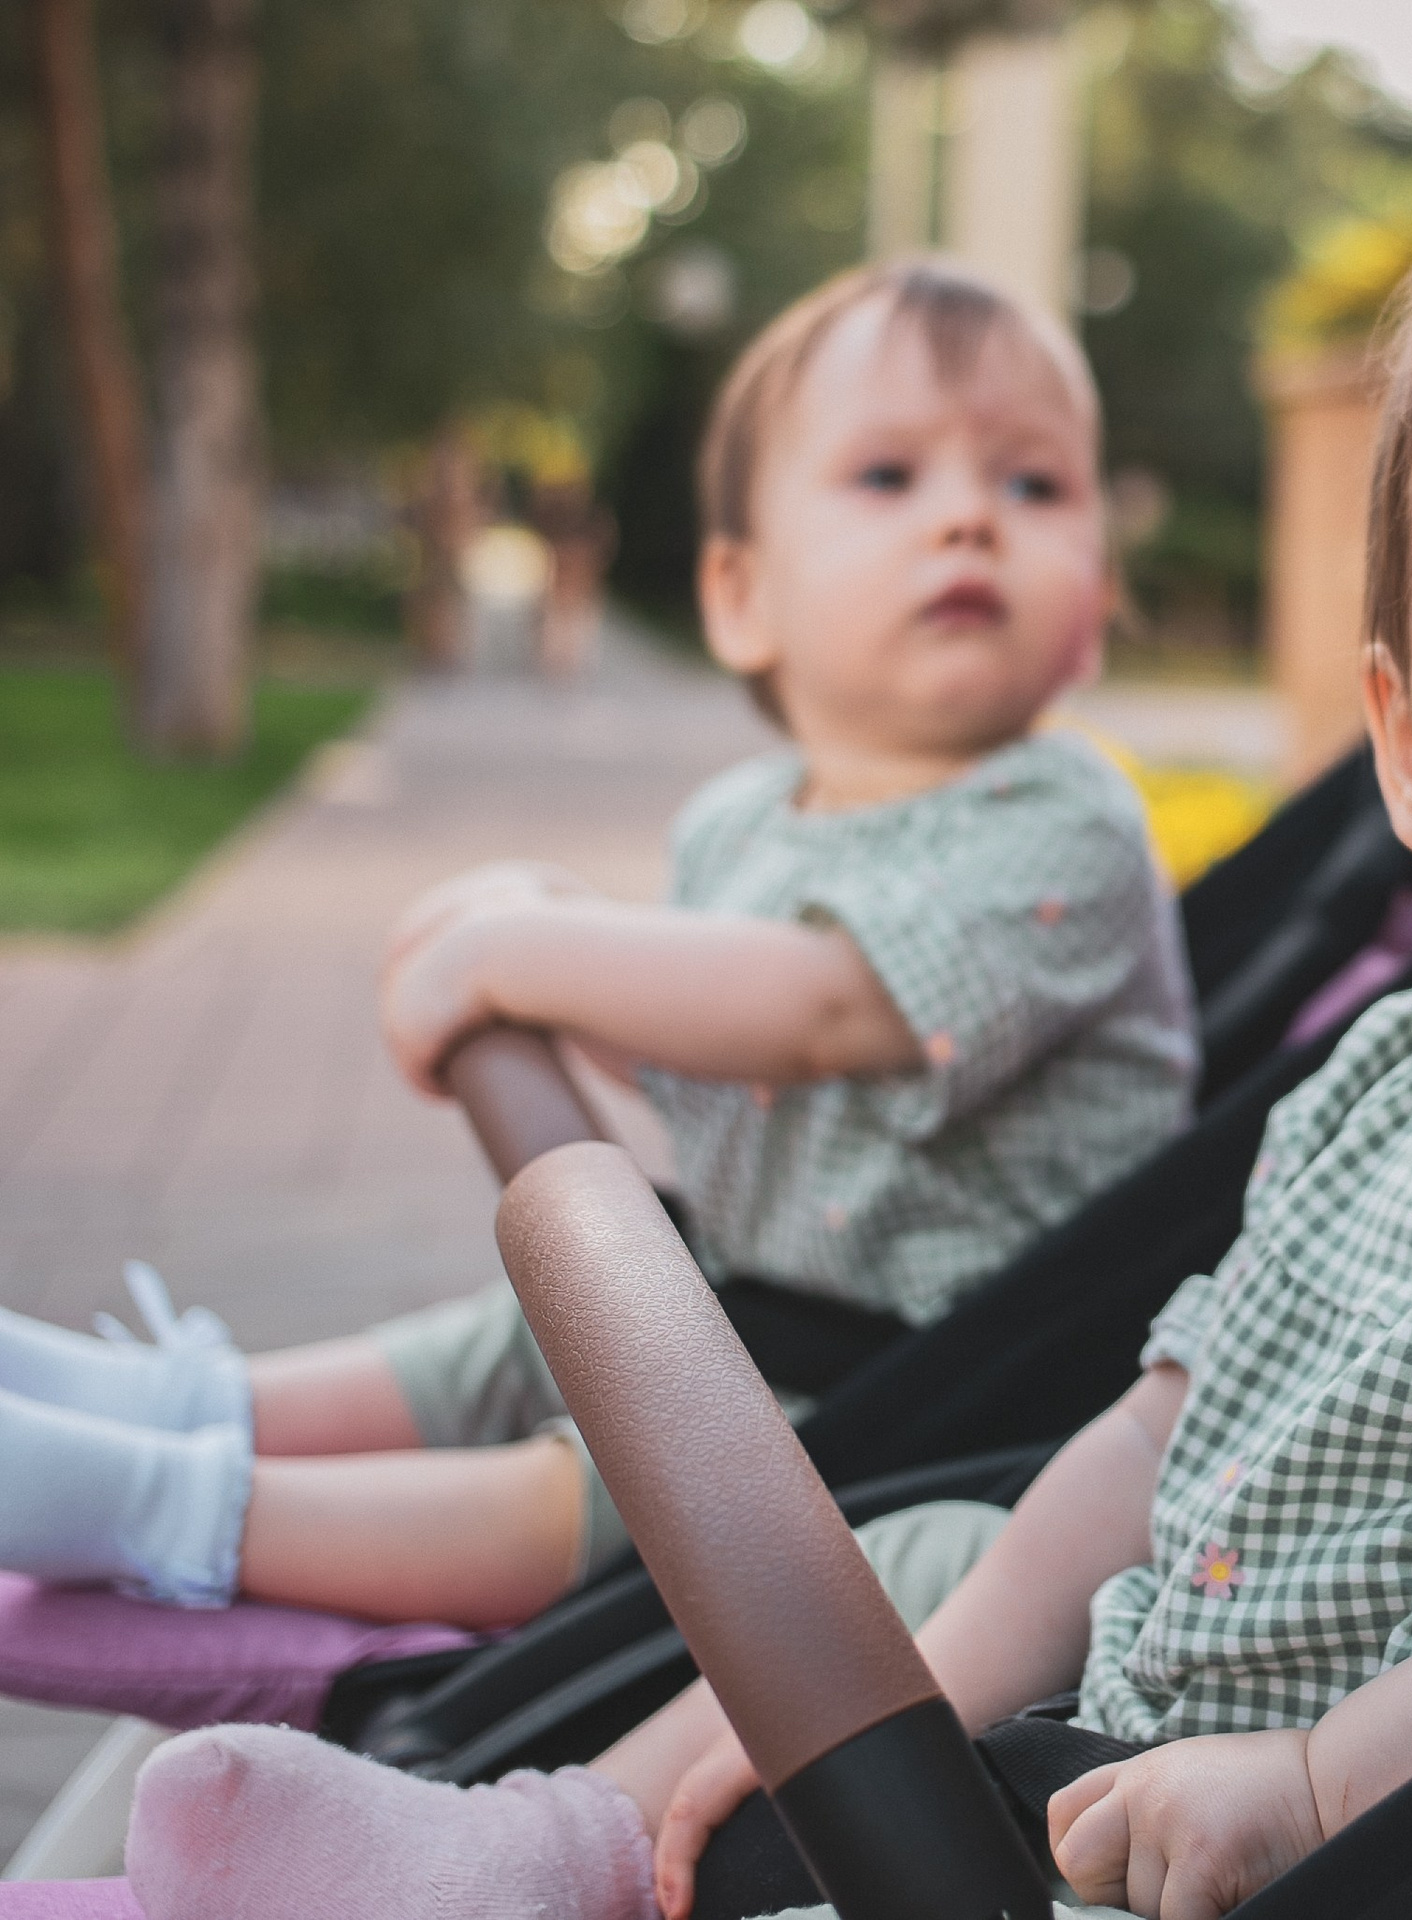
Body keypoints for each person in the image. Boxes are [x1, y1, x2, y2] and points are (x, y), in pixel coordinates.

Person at [117, 181, 1412, 1920]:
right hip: (1165, 1719)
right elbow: (1168, 1418)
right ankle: (546, 1851)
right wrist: (931, 1689)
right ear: (1402, 747)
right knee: (921, 1551)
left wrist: (1321, 1784)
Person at [0, 261, 1196, 1629]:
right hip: (764, 1318)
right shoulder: (745, 817)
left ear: (1095, 607)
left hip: (927, 1394)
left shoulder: (1067, 818)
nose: (972, 518)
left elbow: (818, 1013)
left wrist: (526, 953)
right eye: (890, 476)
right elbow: (717, 1046)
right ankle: (170, 1403)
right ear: (743, 597)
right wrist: (559, 931)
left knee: (617, 1492)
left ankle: (163, 1509)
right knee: (521, 1338)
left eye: (1035, 486)